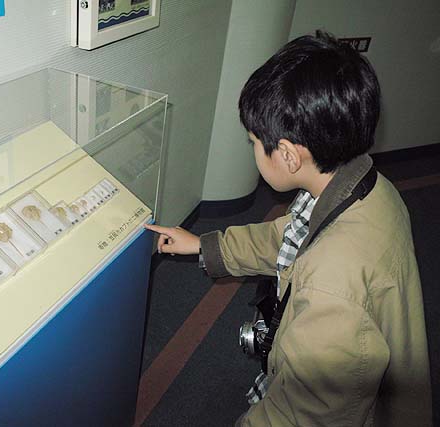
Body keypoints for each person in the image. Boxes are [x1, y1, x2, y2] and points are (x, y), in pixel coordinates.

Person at [145, 31, 431, 427]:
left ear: (288, 156)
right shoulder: (364, 186)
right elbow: (287, 237)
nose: (252, 149)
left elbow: (306, 414)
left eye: (253, 142)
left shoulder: (330, 283)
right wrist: (203, 245)